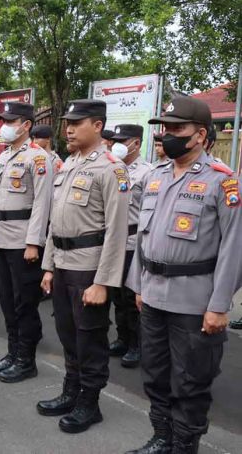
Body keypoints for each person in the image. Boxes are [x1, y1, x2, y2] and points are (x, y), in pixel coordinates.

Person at [124, 97, 242, 454]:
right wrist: (139, 285)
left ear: (200, 135)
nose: (168, 135)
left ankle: (183, 445)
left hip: (195, 301)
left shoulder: (223, 182)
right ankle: (162, 438)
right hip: (154, 294)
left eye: (177, 129)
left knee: (191, 381)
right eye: (165, 128)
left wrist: (219, 306)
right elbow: (143, 239)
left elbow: (234, 249)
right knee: (156, 375)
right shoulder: (156, 177)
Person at [38, 99, 129, 434]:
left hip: (89, 269)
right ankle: (71, 392)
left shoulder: (111, 169)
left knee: (89, 338)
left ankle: (90, 404)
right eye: (67, 123)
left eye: (77, 123)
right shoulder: (69, 163)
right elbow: (56, 221)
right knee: (66, 333)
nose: (69, 129)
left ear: (99, 126)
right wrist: (48, 266)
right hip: (62, 264)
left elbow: (117, 232)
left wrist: (103, 282)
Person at [0, 103, 53, 383]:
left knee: (25, 303)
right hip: (4, 238)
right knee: (8, 301)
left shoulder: (37, 158)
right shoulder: (5, 157)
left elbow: (42, 203)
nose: (4, 126)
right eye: (3, 121)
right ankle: (13, 352)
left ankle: (27, 359)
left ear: (26, 125)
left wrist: (34, 242)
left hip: (24, 241)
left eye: (11, 121)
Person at [108, 125, 152, 369]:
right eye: (115, 140)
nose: (117, 144)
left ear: (136, 142)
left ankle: (136, 344)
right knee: (116, 295)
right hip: (114, 240)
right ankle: (122, 337)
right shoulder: (113, 168)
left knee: (131, 296)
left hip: (134, 241)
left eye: (122, 140)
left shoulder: (147, 172)